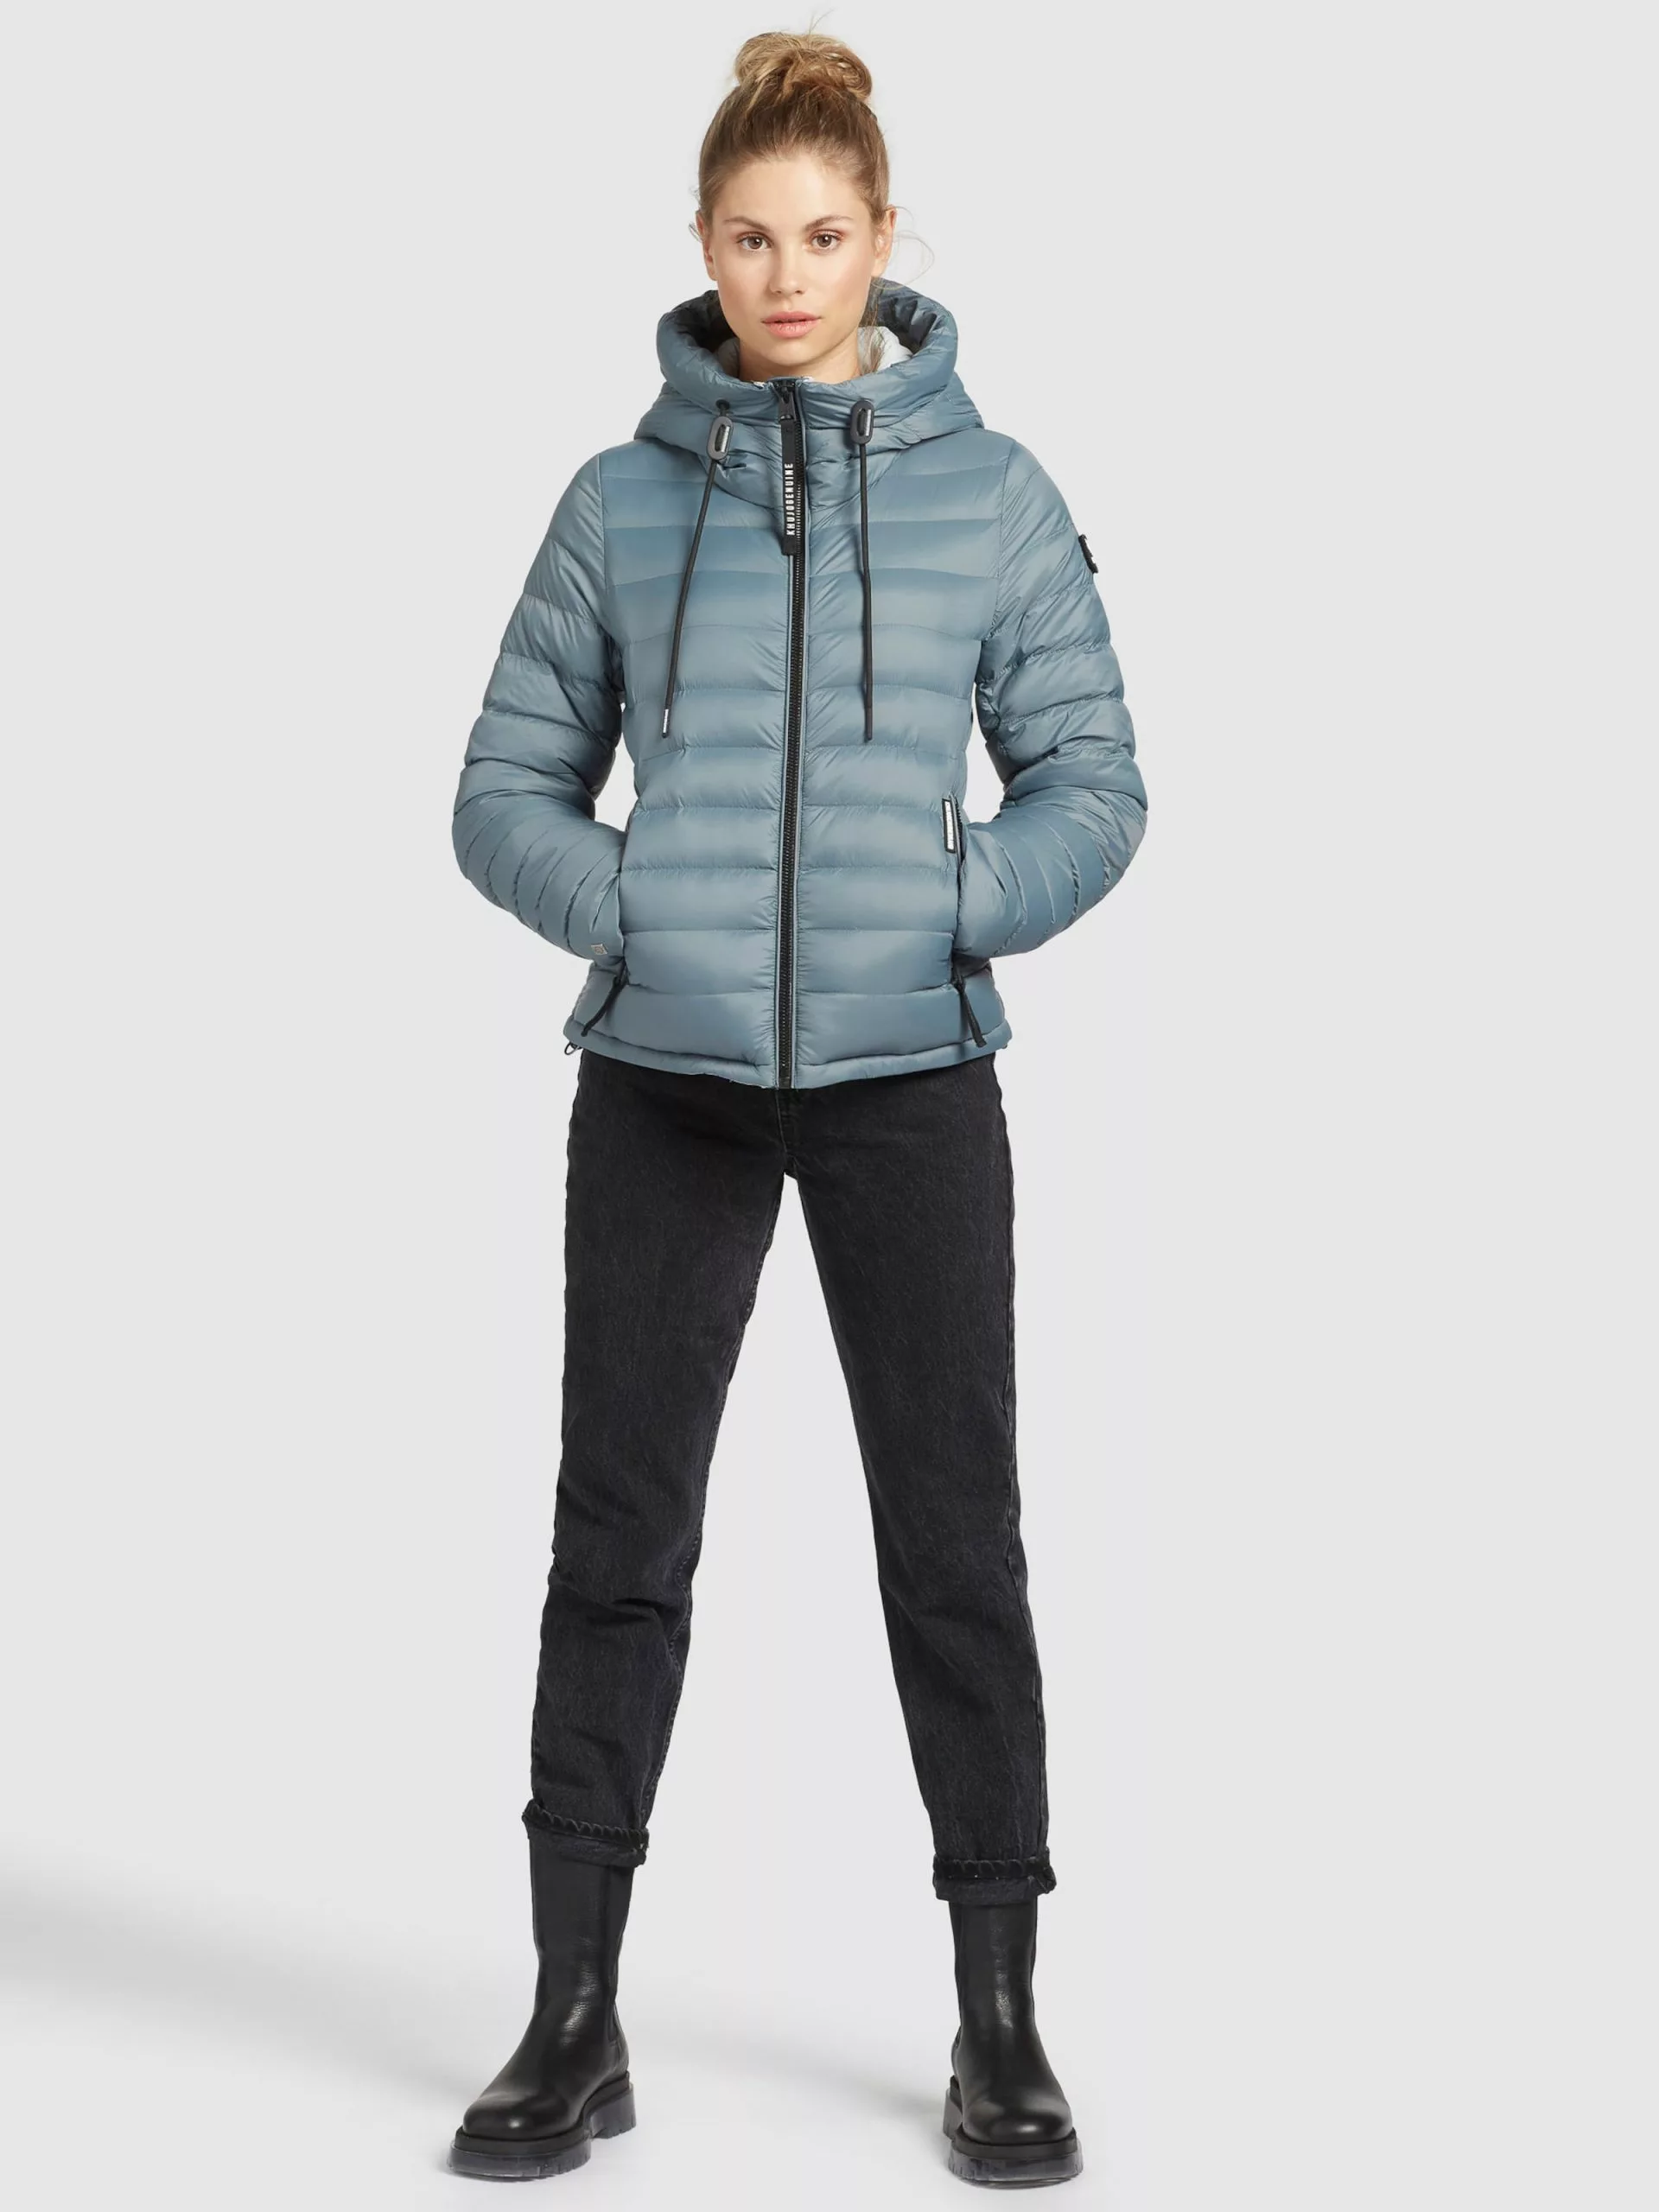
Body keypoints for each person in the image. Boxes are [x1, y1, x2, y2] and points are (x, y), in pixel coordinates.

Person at [445, 28, 1147, 2190]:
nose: (785, 275)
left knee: (955, 1543)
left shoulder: (991, 494)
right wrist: (636, 908)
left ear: (884, 236)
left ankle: (999, 2020)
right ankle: (572, 2011)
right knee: (618, 1538)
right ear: (701, 242)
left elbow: (1096, 784)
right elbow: (500, 788)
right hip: (659, 1086)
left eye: (823, 236)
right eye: (750, 238)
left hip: (910, 1082)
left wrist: (956, 900)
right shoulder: (619, 499)